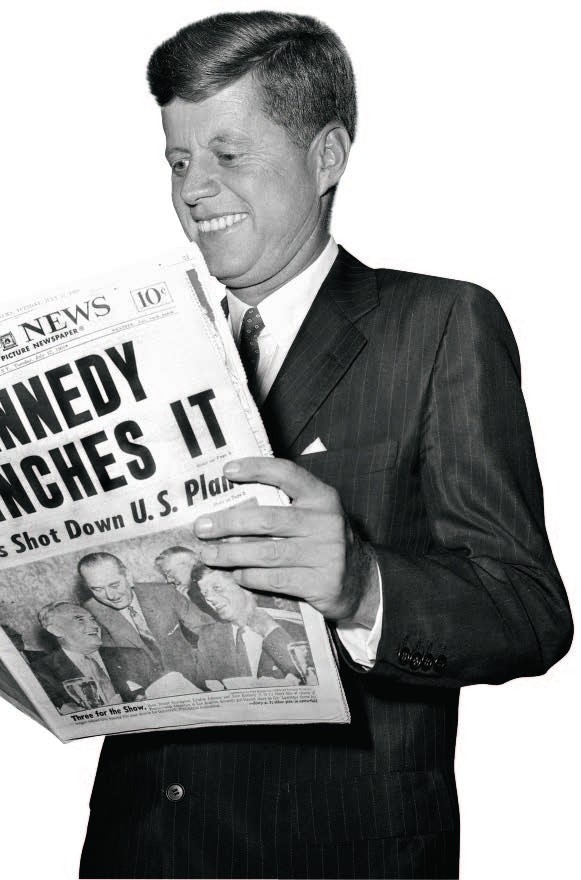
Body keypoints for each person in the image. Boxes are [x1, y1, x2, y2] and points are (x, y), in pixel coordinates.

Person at [79, 12, 573, 879]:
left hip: (332, 853)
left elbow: (528, 612)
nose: (194, 189)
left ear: (326, 157)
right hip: (136, 849)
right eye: (178, 160)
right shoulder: (143, 352)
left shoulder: (439, 323)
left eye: (228, 155)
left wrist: (363, 586)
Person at [79, 551, 210, 684]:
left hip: (193, 677)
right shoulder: (89, 613)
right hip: (144, 687)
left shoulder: (164, 592)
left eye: (114, 585)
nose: (111, 596)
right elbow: (98, 663)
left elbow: (208, 630)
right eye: (98, 589)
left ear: (128, 576)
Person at [32, 602, 161, 712]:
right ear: (56, 630)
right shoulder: (40, 673)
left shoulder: (134, 656)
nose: (94, 626)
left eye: (93, 619)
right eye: (79, 619)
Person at [191, 562, 306, 684]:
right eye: (205, 594)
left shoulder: (291, 626)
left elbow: (306, 677)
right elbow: (205, 687)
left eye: (216, 588)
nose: (210, 599)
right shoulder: (208, 637)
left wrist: (270, 630)